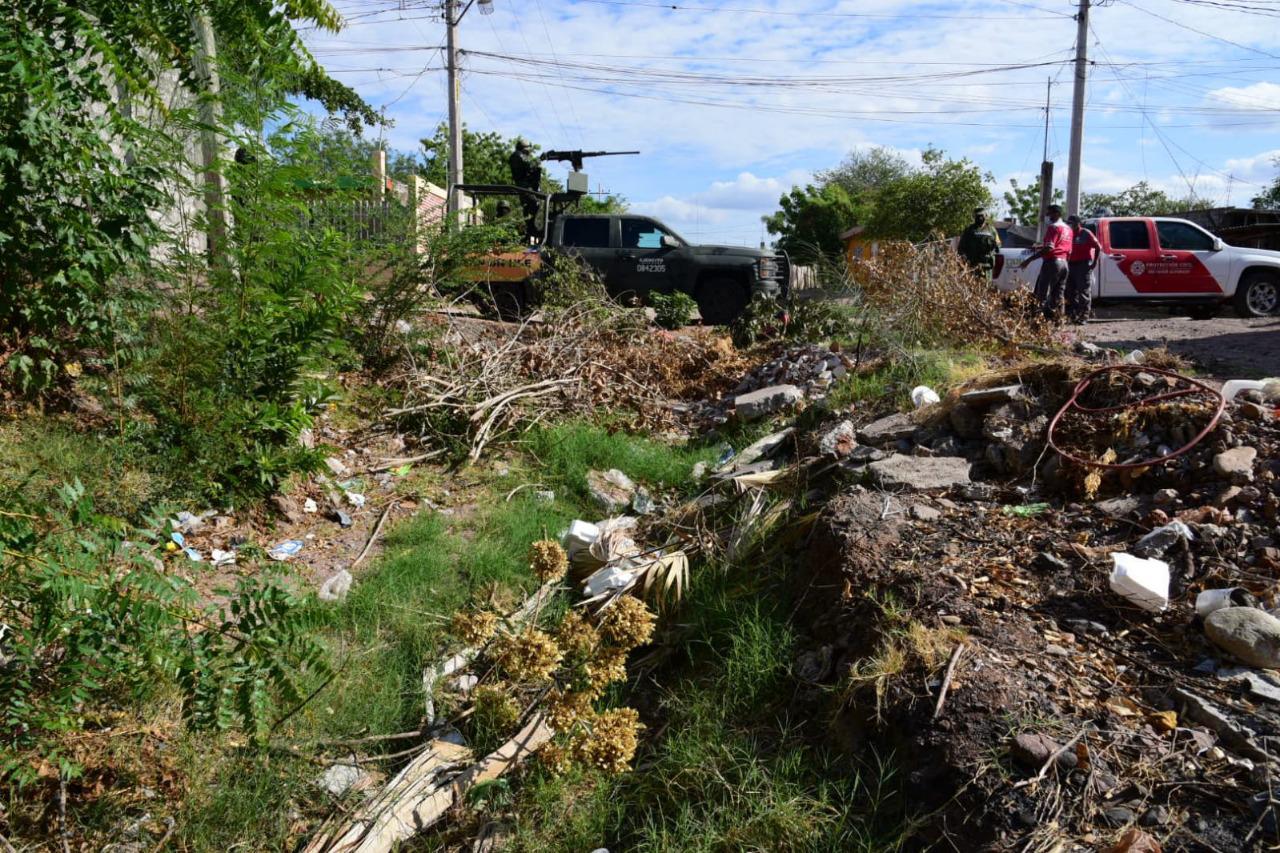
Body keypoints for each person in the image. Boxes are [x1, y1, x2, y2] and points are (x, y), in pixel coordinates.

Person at [1019, 204, 1071, 321]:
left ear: (1057, 214)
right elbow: (1065, 248)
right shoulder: (1068, 229)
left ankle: (1038, 321)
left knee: (1041, 293)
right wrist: (1039, 247)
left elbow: (1050, 248)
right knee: (1059, 294)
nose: (1048, 216)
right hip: (1064, 264)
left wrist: (1029, 260)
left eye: (1050, 213)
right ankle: (1058, 320)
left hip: (1052, 263)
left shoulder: (1053, 227)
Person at [1064, 214, 1102, 324]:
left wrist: (1094, 262)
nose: (1070, 225)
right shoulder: (1068, 234)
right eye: (1069, 223)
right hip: (1070, 264)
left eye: (1072, 222)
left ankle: (1084, 316)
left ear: (1078, 223)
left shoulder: (1085, 233)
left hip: (1083, 265)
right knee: (1070, 291)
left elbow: (1098, 247)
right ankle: (1073, 315)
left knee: (1083, 291)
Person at [508, 138, 544, 242]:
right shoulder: (518, 155)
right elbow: (530, 167)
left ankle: (530, 228)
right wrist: (539, 160)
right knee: (534, 204)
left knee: (528, 207)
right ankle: (531, 228)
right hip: (524, 186)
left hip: (523, 185)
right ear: (525, 148)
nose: (529, 151)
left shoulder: (517, 155)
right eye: (528, 149)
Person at [956, 207, 1001, 283]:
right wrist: (963, 264)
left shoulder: (992, 230)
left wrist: (993, 249)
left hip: (987, 267)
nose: (980, 218)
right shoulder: (969, 230)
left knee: (986, 289)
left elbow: (998, 245)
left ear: (986, 216)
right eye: (978, 216)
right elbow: (961, 249)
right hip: (973, 267)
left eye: (982, 215)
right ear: (974, 217)